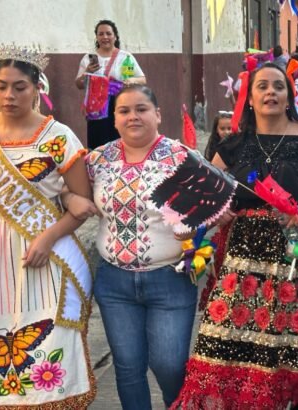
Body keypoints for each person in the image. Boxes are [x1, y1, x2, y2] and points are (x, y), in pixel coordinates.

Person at [174, 63, 298, 409]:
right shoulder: (233, 145)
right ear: (251, 98)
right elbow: (208, 192)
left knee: (297, 350)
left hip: (297, 259)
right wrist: (219, 209)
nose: (271, 93)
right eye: (263, 87)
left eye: (278, 86)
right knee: (230, 346)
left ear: (289, 97)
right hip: (240, 264)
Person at [77, 85, 205, 409]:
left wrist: (194, 228)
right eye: (124, 111)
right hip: (113, 282)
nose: (133, 116)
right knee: (128, 367)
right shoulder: (96, 160)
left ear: (158, 115)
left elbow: (214, 207)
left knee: (170, 366)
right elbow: (68, 191)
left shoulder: (183, 158)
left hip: (170, 280)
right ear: (115, 120)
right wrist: (70, 199)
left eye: (142, 108)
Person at [0, 45, 95, 407]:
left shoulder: (58, 137)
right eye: (1, 86)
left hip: (42, 252)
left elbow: (81, 203)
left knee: (47, 338)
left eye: (19, 87)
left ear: (37, 88)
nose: (8, 96)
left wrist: (47, 238)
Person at [75, 19, 146, 149]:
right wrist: (87, 72)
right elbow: (79, 84)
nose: (105, 37)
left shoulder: (125, 57)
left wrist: (130, 81)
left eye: (108, 33)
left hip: (120, 106)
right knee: (98, 145)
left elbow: (142, 79)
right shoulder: (88, 58)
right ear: (96, 37)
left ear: (115, 36)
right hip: (97, 109)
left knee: (120, 142)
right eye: (101, 34)